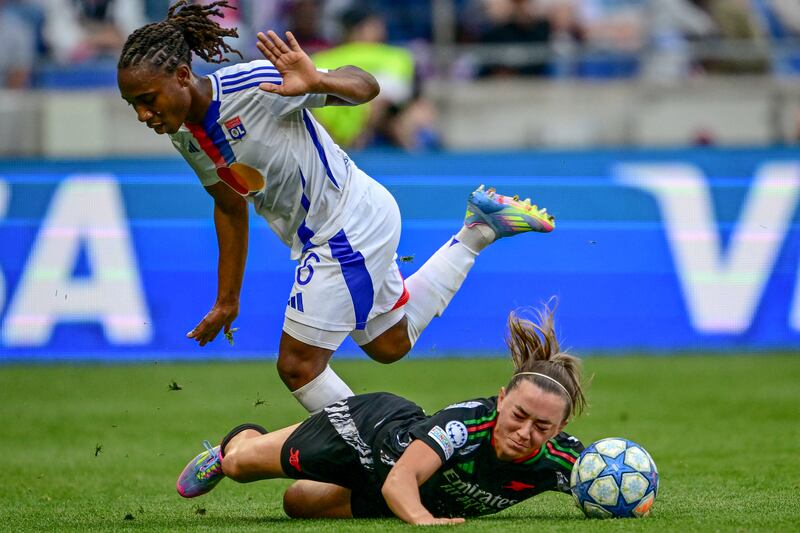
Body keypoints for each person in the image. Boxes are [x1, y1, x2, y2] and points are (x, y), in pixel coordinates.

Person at [117, 1, 556, 414]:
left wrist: (319, 81)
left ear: (180, 75)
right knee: (389, 344)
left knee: (297, 366)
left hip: (346, 225)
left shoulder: (254, 86)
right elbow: (229, 206)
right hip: (345, 223)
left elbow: (367, 85)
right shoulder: (184, 134)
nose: (142, 115)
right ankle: (479, 230)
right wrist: (228, 300)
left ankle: (379, 459)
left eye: (147, 99)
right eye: (133, 104)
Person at [175, 304, 587, 525]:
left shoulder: (562, 459)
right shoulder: (466, 425)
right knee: (239, 466)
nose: (524, 432)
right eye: (519, 415)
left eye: (542, 426)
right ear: (501, 400)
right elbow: (401, 481)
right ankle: (237, 442)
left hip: (397, 491)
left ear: (560, 428)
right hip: (365, 434)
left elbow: (611, 475)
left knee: (296, 504)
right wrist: (424, 521)